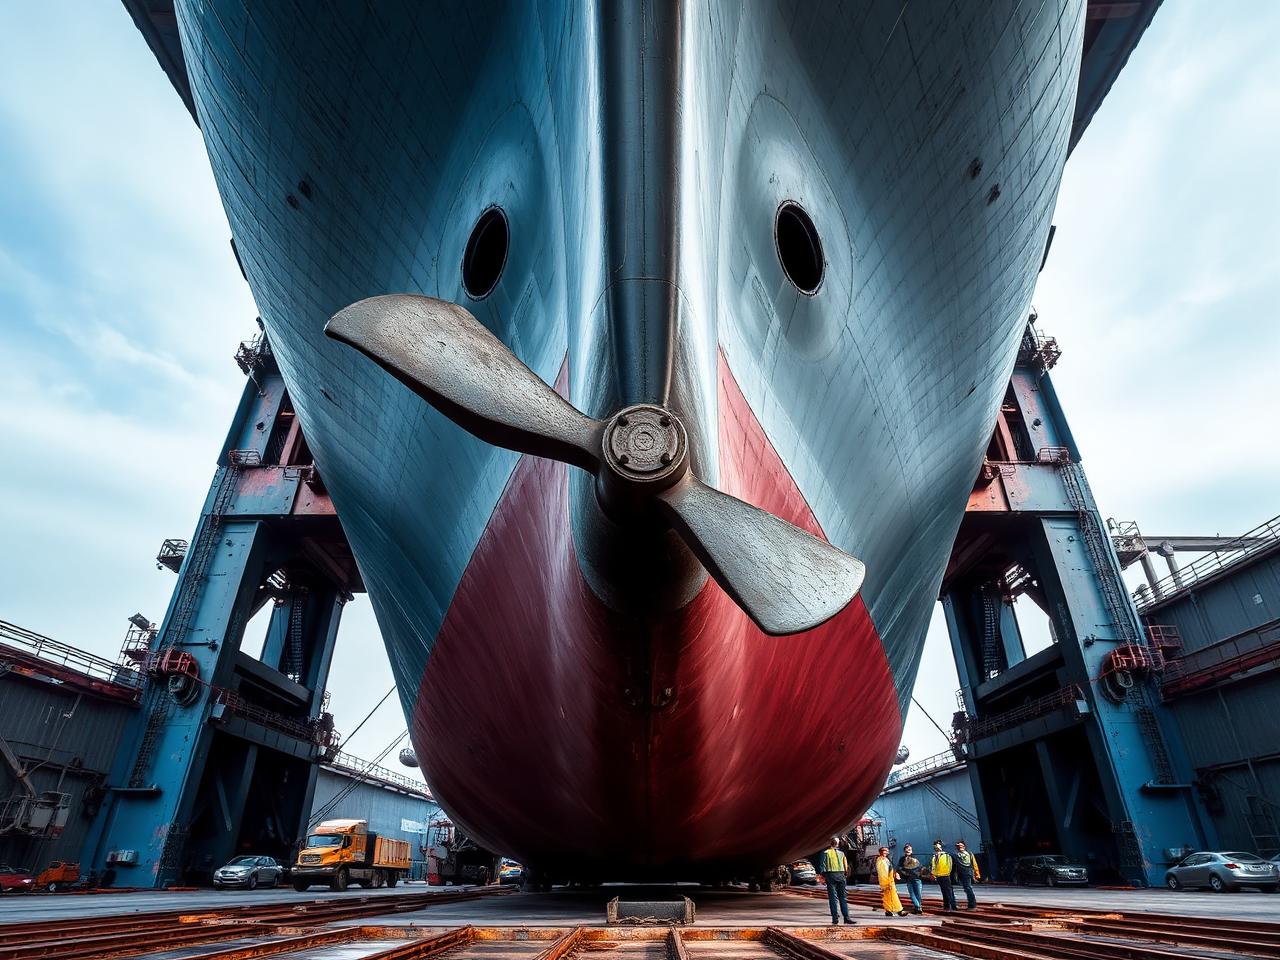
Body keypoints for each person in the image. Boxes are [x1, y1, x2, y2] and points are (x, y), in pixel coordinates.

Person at [817, 836, 852, 925]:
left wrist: (823, 877)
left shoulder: (825, 853)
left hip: (831, 876)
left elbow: (821, 866)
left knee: (833, 899)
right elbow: (846, 866)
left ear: (830, 843)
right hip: (841, 876)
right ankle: (846, 918)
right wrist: (845, 874)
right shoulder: (842, 853)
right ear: (837, 843)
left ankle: (835, 918)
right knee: (843, 898)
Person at [875, 846, 908, 917]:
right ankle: (899, 910)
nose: (886, 852)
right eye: (884, 851)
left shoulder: (886, 859)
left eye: (886, 851)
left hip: (889, 880)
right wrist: (886, 883)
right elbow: (882, 873)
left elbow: (890, 869)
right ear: (880, 852)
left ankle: (888, 911)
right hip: (887, 882)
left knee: (887, 897)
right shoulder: (881, 861)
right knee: (892, 896)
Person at [930, 839, 957, 912]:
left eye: (937, 845)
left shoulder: (946, 855)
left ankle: (952, 906)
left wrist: (947, 873)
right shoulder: (934, 856)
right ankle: (947, 906)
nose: (936, 846)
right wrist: (934, 874)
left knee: (948, 891)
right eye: (935, 845)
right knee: (944, 892)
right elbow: (933, 866)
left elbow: (950, 865)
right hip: (939, 876)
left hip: (945, 875)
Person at [896, 843, 924, 914]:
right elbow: (899, 868)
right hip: (909, 879)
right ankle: (918, 907)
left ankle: (917, 907)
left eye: (910, 849)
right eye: (907, 849)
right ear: (904, 850)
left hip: (917, 879)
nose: (908, 850)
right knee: (912, 895)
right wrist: (901, 874)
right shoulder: (902, 859)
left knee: (918, 894)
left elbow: (921, 868)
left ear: (912, 850)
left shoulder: (916, 858)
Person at [954, 840, 980, 910]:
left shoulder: (969, 854)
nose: (960, 847)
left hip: (967, 872)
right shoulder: (956, 855)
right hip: (961, 873)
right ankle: (971, 904)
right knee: (966, 888)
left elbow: (974, 864)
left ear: (964, 846)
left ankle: (972, 905)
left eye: (961, 846)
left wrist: (977, 875)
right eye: (958, 846)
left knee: (968, 888)